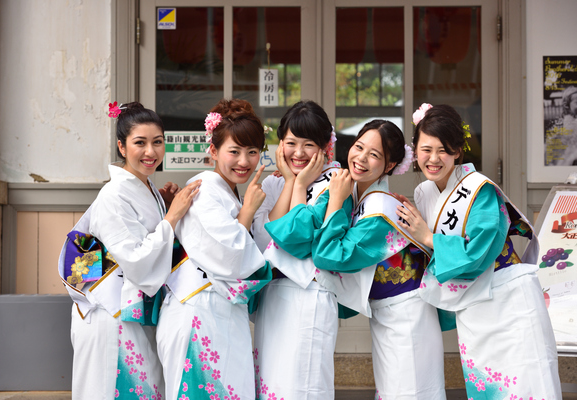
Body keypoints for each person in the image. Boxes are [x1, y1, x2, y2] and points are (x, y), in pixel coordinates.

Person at [396, 103, 562, 399]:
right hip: (472, 307)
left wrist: (429, 237)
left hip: (507, 298)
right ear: (415, 150)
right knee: (488, 389)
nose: (433, 159)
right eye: (426, 149)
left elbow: (478, 252)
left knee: (529, 385)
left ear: (457, 151)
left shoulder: (479, 189)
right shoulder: (424, 193)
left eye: (443, 150)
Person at [59, 101, 200, 400]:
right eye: (140, 143)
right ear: (122, 147)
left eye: (157, 142)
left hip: (130, 311)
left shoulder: (144, 187)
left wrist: (165, 208)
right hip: (109, 313)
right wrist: (172, 216)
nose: (151, 151)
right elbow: (136, 260)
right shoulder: (114, 194)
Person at [310, 120, 446, 399]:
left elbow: (329, 256)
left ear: (389, 165)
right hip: (389, 312)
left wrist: (334, 202)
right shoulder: (360, 192)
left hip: (407, 316)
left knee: (410, 392)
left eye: (374, 154)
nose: (361, 158)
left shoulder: (379, 211)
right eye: (359, 147)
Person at [156, 99, 272, 400]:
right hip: (198, 311)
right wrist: (248, 211)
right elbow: (231, 256)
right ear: (213, 150)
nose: (244, 161)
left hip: (218, 311)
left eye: (252, 152)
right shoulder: (204, 189)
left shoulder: (226, 190)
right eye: (234, 151)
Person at [252, 100, 361, 400]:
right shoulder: (276, 182)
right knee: (272, 383)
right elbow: (263, 238)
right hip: (274, 294)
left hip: (310, 293)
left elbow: (296, 239)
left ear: (325, 147)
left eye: (308, 144)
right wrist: (291, 182)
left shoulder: (337, 183)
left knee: (304, 385)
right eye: (291, 143)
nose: (298, 153)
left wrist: (299, 185)